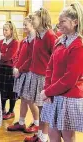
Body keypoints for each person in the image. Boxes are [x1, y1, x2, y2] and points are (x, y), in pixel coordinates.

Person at [41, 2, 83, 142]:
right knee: (53, 133)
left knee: (67, 136)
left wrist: (48, 91)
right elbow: (50, 67)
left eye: (63, 21)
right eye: (58, 22)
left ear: (75, 22)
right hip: (54, 95)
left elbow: (69, 79)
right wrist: (47, 88)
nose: (59, 25)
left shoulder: (78, 45)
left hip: (68, 97)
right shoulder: (60, 40)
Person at [21, 8, 57, 142]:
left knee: (44, 109)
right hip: (35, 75)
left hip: (44, 77)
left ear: (42, 19)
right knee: (39, 107)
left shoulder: (50, 36)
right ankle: (40, 134)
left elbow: (55, 59)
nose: (31, 21)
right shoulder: (37, 35)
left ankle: (44, 136)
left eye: (34, 19)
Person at [7, 14, 36, 131]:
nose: (23, 27)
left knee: (30, 100)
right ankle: (21, 122)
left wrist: (20, 69)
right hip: (21, 72)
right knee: (23, 98)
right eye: (23, 24)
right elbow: (19, 55)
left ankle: (36, 122)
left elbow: (31, 58)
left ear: (33, 25)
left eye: (26, 25)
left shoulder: (35, 41)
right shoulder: (25, 40)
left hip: (29, 73)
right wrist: (15, 67)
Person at [0, 21, 19, 120]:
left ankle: (11, 111)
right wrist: (2, 54)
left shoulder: (15, 42)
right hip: (0, 68)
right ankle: (2, 109)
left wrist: (1, 54)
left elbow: (8, 57)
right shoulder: (1, 42)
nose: (4, 32)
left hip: (10, 69)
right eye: (3, 30)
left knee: (11, 91)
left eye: (6, 30)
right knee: (1, 90)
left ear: (11, 30)